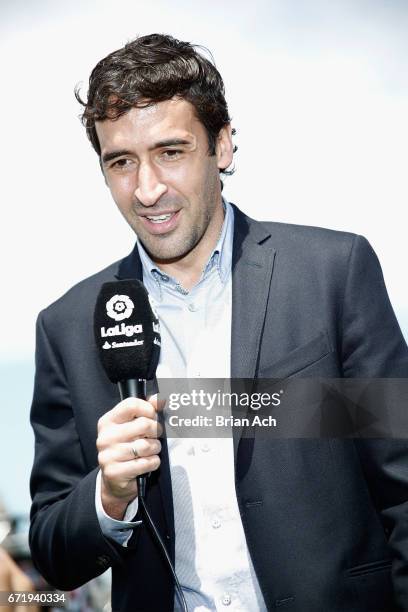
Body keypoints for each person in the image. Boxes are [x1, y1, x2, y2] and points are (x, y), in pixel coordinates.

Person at [29, 33, 408, 612]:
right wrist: (107, 496)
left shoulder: (334, 273)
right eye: (122, 162)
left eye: (171, 152)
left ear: (223, 145)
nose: (148, 188)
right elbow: (52, 551)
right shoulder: (65, 328)